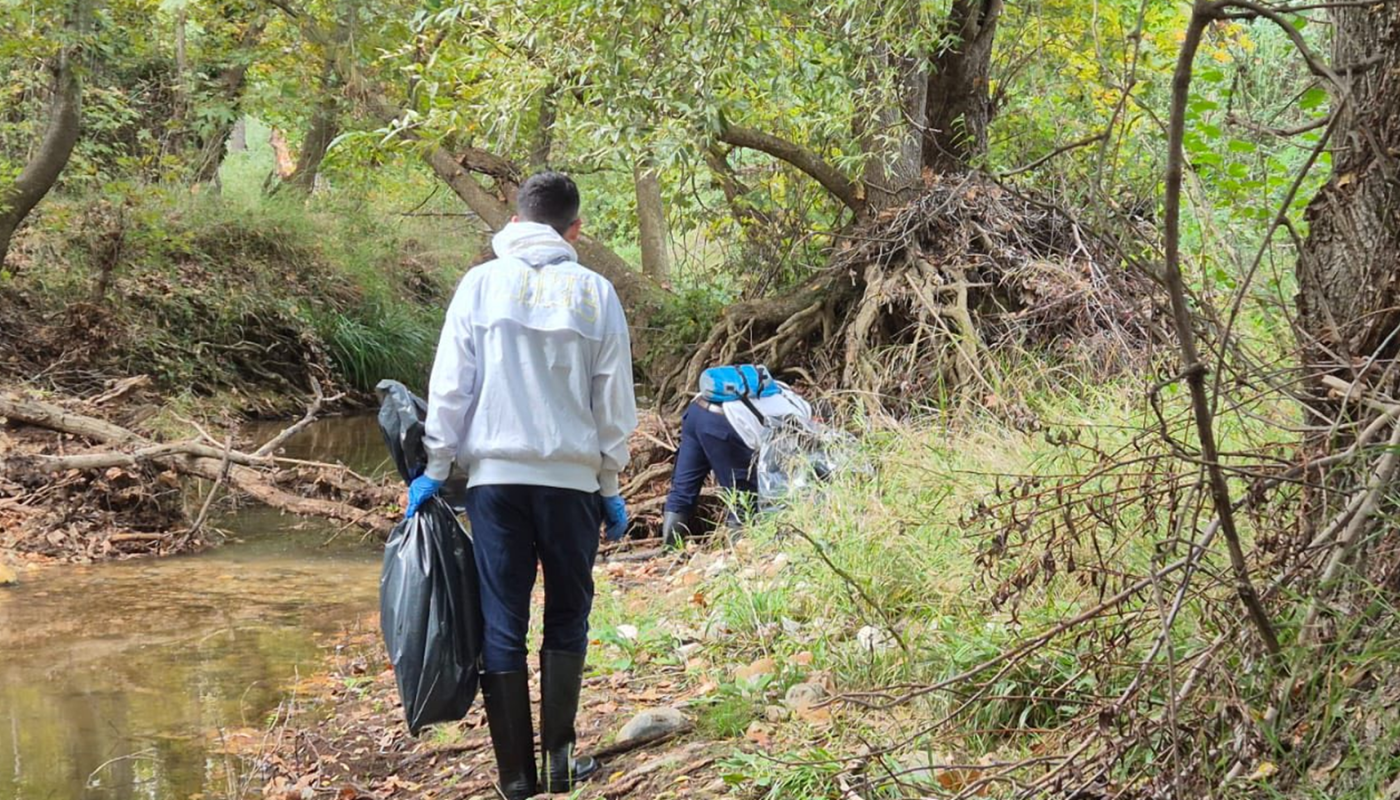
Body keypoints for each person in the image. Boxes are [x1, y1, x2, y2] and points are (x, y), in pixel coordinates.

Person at [404, 171, 638, 799]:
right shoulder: (595, 293)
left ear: (514, 222)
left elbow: (451, 386)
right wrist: (609, 480)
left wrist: (435, 469)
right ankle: (561, 767)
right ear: (576, 229)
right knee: (569, 613)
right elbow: (612, 398)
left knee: (501, 619)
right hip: (571, 486)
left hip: (496, 483)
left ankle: (515, 780)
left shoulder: (480, 285)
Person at [661, 367, 812, 549]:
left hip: (697, 409)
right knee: (742, 494)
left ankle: (669, 551)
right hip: (723, 422)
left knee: (682, 488)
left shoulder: (782, 395)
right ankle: (738, 557)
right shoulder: (800, 417)